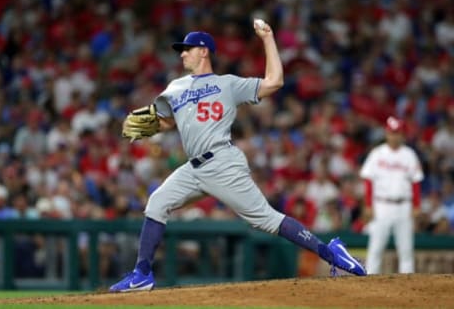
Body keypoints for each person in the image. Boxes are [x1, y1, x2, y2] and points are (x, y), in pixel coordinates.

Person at [109, 19, 366, 292]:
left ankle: (332, 253)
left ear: (204, 51)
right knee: (157, 203)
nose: (182, 53)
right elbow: (167, 122)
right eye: (181, 49)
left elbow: (275, 82)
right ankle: (142, 274)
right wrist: (144, 127)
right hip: (193, 168)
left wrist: (268, 38)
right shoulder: (175, 88)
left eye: (188, 48)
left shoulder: (227, 84)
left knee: (265, 219)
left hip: (222, 162)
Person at [360, 116, 424, 274]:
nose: (394, 136)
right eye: (391, 133)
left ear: (402, 134)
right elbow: (369, 180)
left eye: (397, 133)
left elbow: (416, 182)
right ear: (386, 133)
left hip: (404, 206)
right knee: (375, 248)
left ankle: (408, 286)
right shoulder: (377, 153)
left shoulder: (409, 154)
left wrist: (416, 205)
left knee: (406, 250)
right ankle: (369, 282)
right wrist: (368, 205)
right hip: (381, 205)